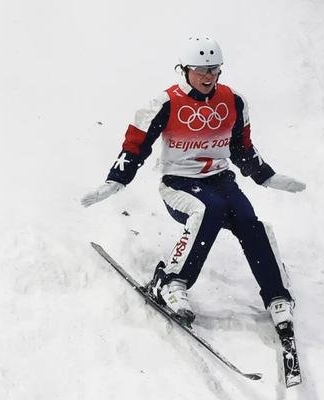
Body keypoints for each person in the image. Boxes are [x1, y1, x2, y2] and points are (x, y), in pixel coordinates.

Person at [81, 35, 306, 329]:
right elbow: (137, 143)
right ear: (184, 70)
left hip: (221, 181)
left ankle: (278, 297)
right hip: (179, 183)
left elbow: (242, 148)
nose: (208, 76)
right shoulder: (165, 103)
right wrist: (116, 180)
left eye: (213, 69)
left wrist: (268, 177)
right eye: (201, 70)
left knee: (249, 221)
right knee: (208, 209)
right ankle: (171, 282)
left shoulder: (233, 101)